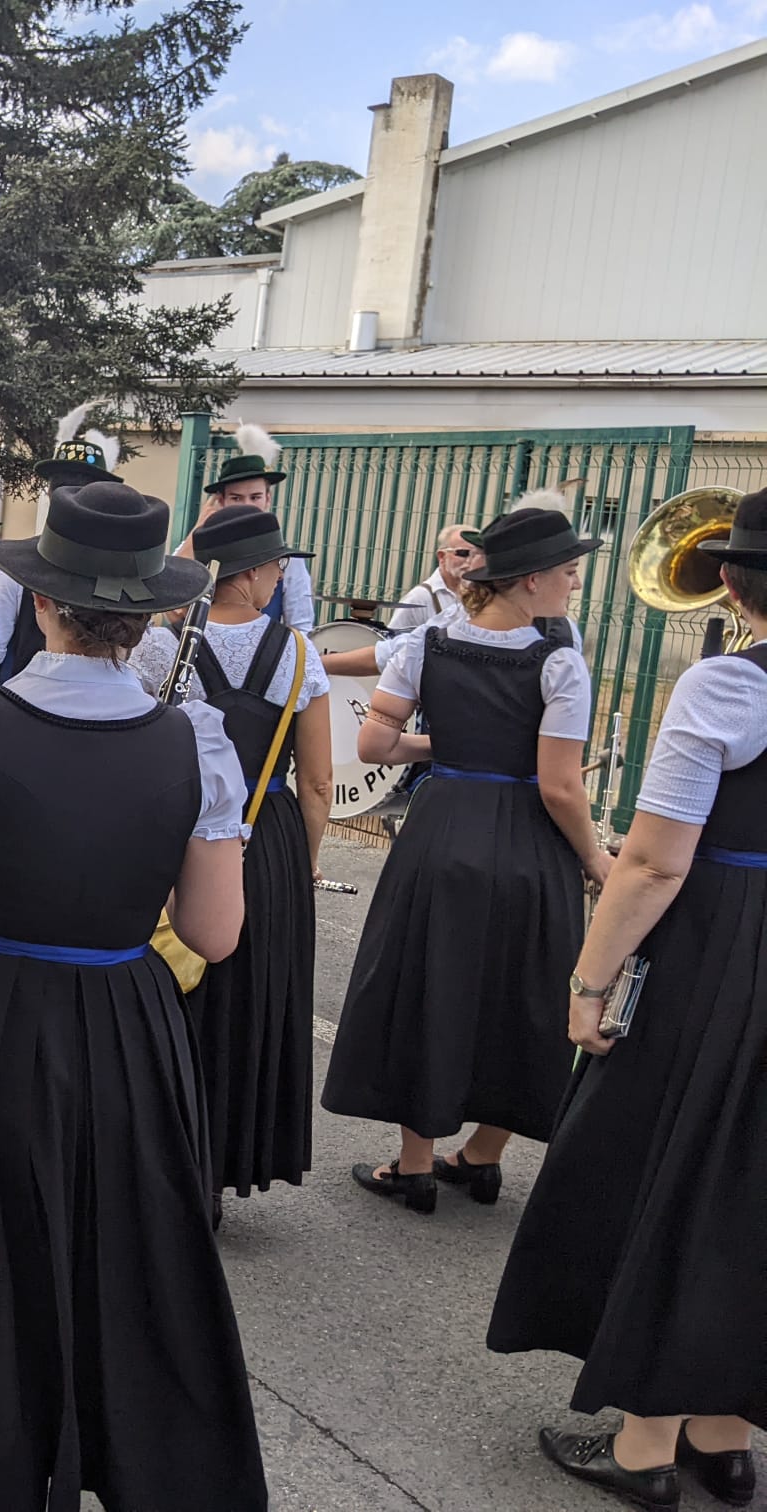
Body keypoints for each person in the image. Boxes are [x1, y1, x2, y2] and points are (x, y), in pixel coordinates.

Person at [0, 479, 265, 1512]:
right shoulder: (194, 736)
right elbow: (215, 933)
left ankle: (16, 1474)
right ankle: (117, 1455)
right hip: (128, 1023)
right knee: (121, 1256)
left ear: (40, 602)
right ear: (149, 616)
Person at [485, 489, 767, 1511]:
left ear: (730, 582)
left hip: (722, 947)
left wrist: (590, 981)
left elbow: (652, 861)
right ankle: (724, 1439)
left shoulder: (726, 686)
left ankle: (647, 1446)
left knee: (673, 1161)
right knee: (751, 1180)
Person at [322, 499, 609, 1212]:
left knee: (429, 983)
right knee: (524, 991)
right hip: (528, 838)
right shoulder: (560, 662)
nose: (575, 582)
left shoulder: (426, 644)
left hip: (443, 828)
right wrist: (597, 860)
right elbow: (561, 786)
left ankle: (414, 1166)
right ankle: (482, 1158)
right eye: (568, 571)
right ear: (532, 579)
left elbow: (376, 745)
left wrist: (449, 745)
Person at [133, 505, 334, 1222]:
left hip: (177, 828)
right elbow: (317, 783)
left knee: (168, 992)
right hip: (267, 834)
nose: (281, 576)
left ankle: (156, 1158)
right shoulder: (300, 654)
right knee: (250, 1001)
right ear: (250, 573)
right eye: (278, 565)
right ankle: (219, 1169)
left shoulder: (160, 647)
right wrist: (303, 863)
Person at [0, 412, 123, 686]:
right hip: (103, 702)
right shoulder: (121, 567)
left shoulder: (13, 566)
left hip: (25, 702)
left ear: (49, 493)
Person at [184, 423, 315, 632]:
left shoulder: (290, 561)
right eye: (236, 498)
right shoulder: (197, 546)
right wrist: (198, 528)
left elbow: (300, 625)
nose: (247, 505)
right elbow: (170, 602)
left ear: (268, 498)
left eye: (255, 497)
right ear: (220, 501)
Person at [387, 522, 478, 634]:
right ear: (442, 556)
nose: (470, 560)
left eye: (476, 555)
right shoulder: (420, 598)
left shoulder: (483, 594)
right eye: (463, 553)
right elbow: (394, 639)